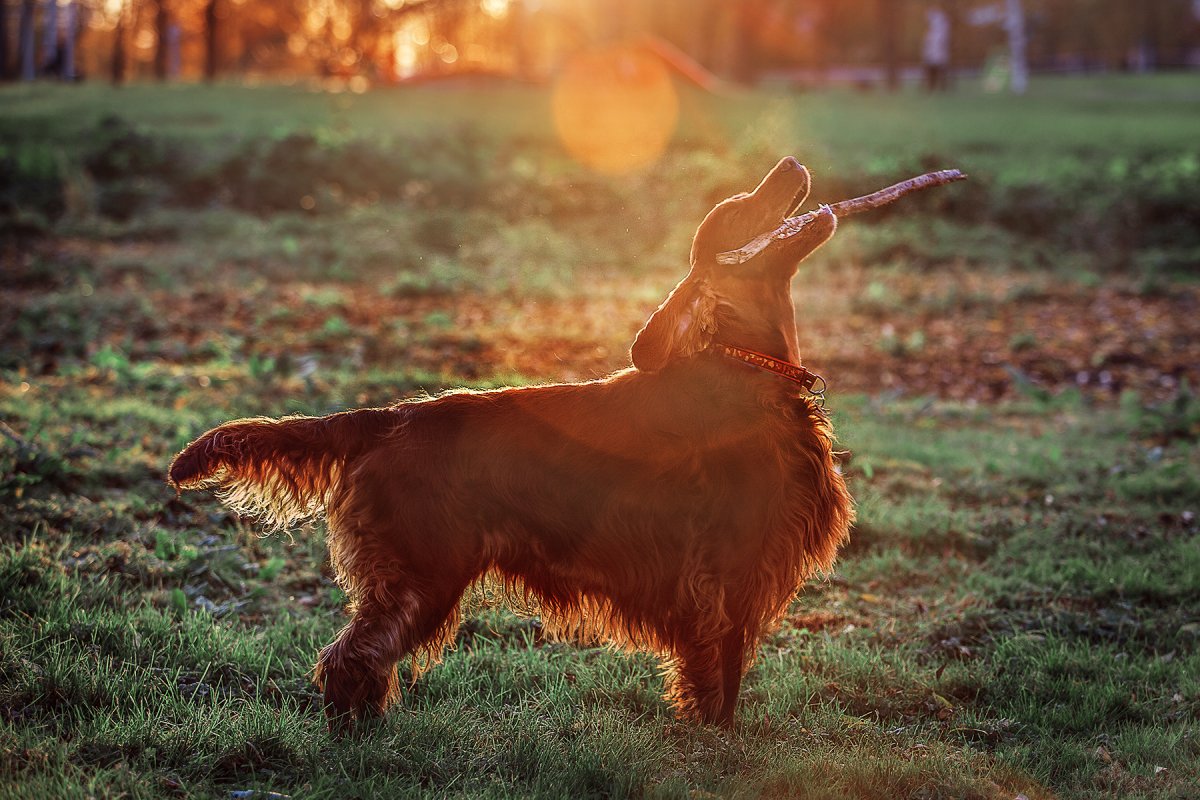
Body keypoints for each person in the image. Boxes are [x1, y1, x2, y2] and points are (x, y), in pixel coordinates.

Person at [923, 4, 950, 91]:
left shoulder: (941, 19)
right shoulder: (937, 20)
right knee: (932, 66)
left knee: (939, 66)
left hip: (938, 45)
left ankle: (940, 86)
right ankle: (932, 86)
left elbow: (943, 36)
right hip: (933, 46)